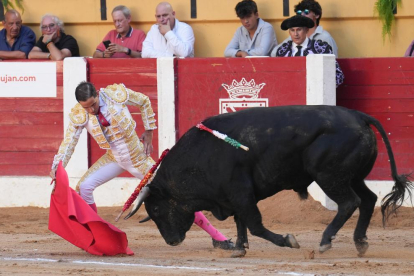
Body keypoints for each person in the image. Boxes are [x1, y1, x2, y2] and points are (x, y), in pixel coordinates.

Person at [50, 82, 234, 250]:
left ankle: (218, 237)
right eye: (86, 107)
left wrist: (149, 131)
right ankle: (96, 236)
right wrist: (57, 168)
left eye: (93, 104)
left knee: (176, 194)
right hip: (113, 158)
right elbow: (69, 143)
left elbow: (144, 101)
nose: (91, 109)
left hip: (138, 158)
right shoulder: (79, 114)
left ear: (98, 94)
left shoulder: (116, 94)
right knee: (84, 187)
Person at [271, 15, 344, 87]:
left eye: (299, 30)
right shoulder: (283, 50)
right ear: (289, 32)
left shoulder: (321, 48)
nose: (296, 34)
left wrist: (319, 86)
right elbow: (277, 76)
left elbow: (338, 76)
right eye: (292, 30)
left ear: (306, 30)